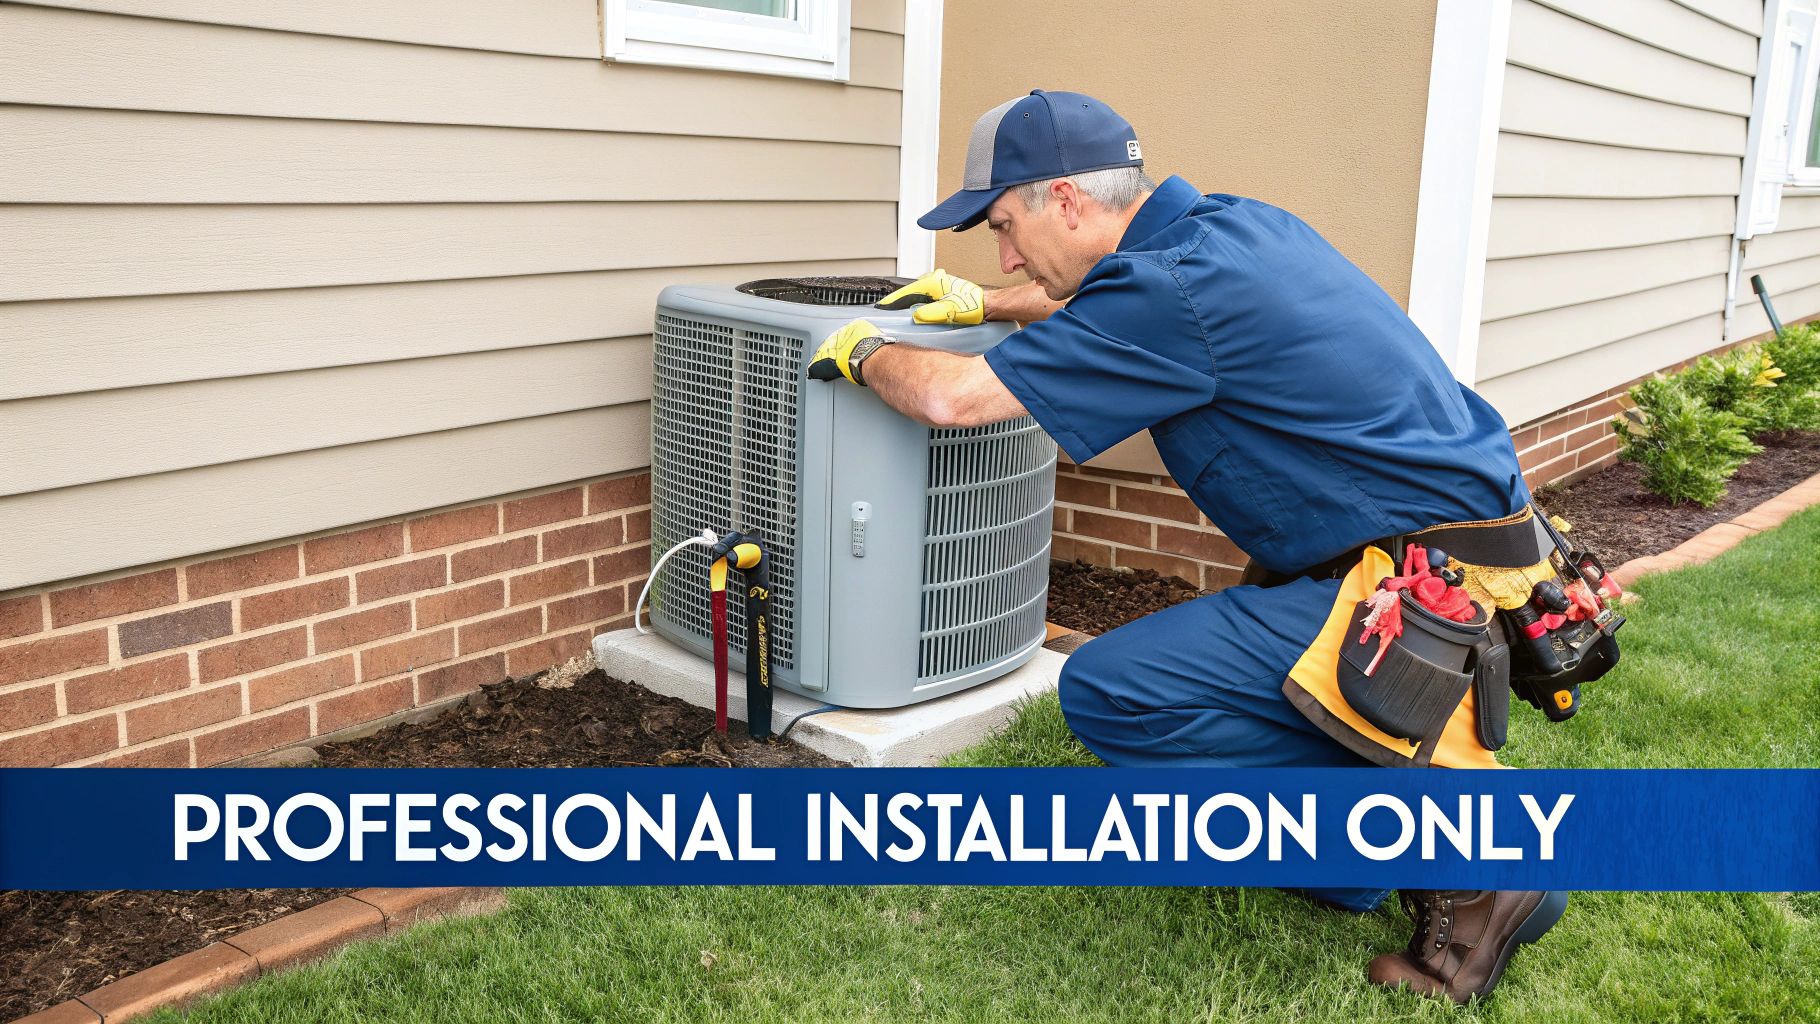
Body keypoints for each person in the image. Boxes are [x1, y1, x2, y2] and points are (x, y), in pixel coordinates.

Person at [801, 89, 1569, 1003]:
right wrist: (998, 304)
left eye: (1005, 227)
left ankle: (1472, 865)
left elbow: (950, 399)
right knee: (1225, 679)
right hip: (1467, 552)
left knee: (1114, 692)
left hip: (1406, 585)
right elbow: (1120, 317)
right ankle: (1357, 860)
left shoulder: (1167, 287)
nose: (1004, 253)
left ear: (1066, 201)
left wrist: (861, 352)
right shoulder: (1231, 230)